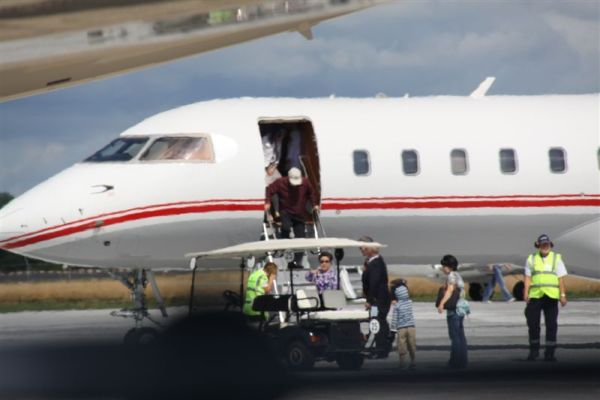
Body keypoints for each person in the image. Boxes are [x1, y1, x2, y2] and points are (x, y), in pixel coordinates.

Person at [524, 234, 568, 362]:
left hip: (551, 296)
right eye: (543, 244)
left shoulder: (556, 258)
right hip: (536, 295)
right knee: (532, 323)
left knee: (551, 325)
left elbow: (561, 279)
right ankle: (534, 350)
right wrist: (525, 292)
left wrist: (563, 295)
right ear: (538, 245)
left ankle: (550, 352)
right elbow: (527, 277)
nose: (545, 246)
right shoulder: (531, 259)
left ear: (550, 245)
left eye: (547, 244)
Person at [265, 167, 319, 265]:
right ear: (288, 178)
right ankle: (283, 247)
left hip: (299, 213)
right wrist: (267, 202)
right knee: (286, 227)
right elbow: (269, 190)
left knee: (301, 237)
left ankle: (297, 261)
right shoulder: (280, 182)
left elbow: (311, 193)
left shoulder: (305, 182)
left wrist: (314, 204)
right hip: (285, 211)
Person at [359, 236, 391, 358]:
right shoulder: (371, 262)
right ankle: (380, 347)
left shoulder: (375, 263)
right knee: (378, 321)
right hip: (378, 298)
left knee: (377, 322)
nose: (361, 249)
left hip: (378, 299)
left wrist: (369, 300)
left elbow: (374, 283)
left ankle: (380, 348)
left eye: (362, 247)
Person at [437, 254, 468, 369]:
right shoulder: (458, 275)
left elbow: (449, 291)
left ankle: (454, 362)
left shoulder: (451, 276)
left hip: (454, 310)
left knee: (454, 336)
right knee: (461, 336)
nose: (443, 268)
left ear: (449, 266)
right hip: (461, 310)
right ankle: (462, 361)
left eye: (444, 265)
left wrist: (441, 304)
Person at [390, 279, 416, 370]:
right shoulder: (410, 303)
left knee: (401, 346)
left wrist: (393, 329)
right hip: (411, 326)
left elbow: (394, 318)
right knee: (412, 344)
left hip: (401, 328)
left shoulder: (397, 306)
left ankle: (402, 363)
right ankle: (413, 361)